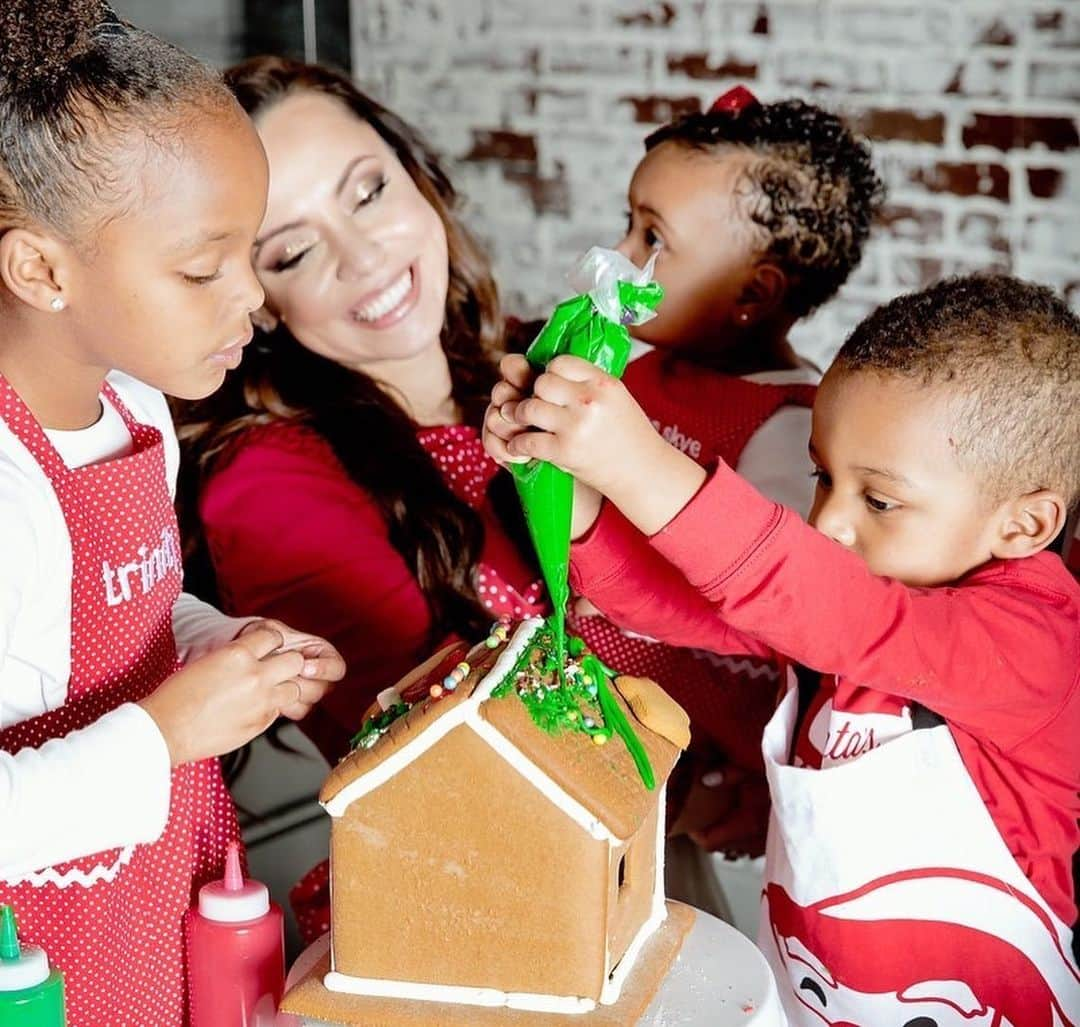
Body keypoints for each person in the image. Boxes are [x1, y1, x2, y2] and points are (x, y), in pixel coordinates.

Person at [485, 274, 1080, 1022]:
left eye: (880, 500)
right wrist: (574, 493)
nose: (827, 521)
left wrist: (636, 460)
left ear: (1024, 525)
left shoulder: (1036, 643)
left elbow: (824, 602)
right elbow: (675, 601)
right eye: (823, 477)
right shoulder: (839, 610)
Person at [0, 5, 344, 1024]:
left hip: (154, 884)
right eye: (202, 268)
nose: (252, 298)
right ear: (42, 270)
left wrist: (218, 642)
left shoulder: (134, 401)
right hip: (35, 948)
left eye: (250, 252)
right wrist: (165, 734)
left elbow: (117, 610)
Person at [172, 57, 543, 940]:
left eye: (368, 191)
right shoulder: (267, 482)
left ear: (415, 171)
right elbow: (444, 756)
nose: (364, 256)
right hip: (486, 902)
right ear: (254, 300)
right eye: (293, 250)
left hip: (652, 850)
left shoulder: (548, 363)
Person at [571, 86, 883, 917]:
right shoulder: (641, 369)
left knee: (666, 918)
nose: (621, 251)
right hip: (602, 705)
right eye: (630, 223)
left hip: (700, 734)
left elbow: (769, 619)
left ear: (754, 290)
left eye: (653, 239)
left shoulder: (790, 433)